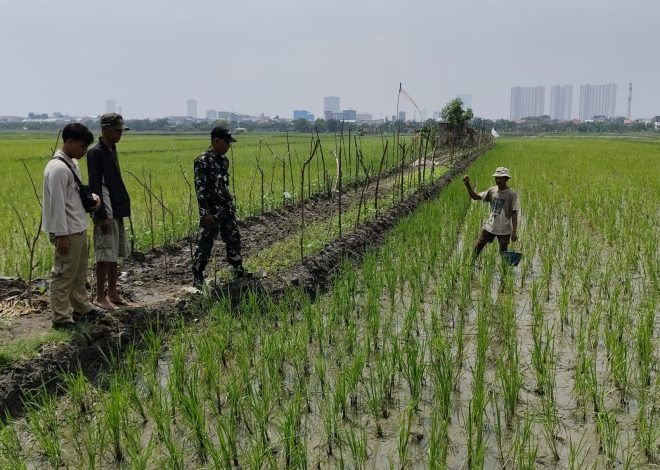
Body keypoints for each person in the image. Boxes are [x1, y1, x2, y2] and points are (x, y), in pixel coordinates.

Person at [42, 123, 102, 329]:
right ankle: (61, 318)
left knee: (78, 273)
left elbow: (71, 196)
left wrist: (91, 199)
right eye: (82, 146)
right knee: (63, 274)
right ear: (69, 142)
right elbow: (57, 205)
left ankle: (82, 307)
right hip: (66, 230)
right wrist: (61, 235)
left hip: (78, 227)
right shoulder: (57, 168)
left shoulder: (71, 164)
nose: (85, 151)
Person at [192, 126, 247, 288]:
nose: (229, 146)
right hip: (212, 212)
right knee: (205, 243)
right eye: (227, 142)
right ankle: (198, 275)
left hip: (226, 209)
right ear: (216, 141)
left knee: (233, 238)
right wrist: (205, 212)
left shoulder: (223, 161)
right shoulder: (202, 161)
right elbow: (200, 188)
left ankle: (238, 269)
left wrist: (230, 206)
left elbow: (223, 186)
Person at [87, 113, 132, 310]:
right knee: (104, 254)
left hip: (117, 208)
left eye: (121, 131)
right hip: (105, 210)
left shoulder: (112, 150)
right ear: (105, 130)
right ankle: (99, 296)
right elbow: (95, 185)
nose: (119, 134)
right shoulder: (95, 152)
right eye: (116, 130)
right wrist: (101, 215)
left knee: (114, 253)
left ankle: (112, 292)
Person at [463, 167, 519, 259]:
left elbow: (514, 213)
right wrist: (467, 185)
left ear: (506, 179)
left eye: (500, 178)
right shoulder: (492, 190)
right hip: (491, 226)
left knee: (503, 253)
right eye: (496, 178)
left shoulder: (511, 194)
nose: (497, 180)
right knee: (479, 245)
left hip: (504, 228)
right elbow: (475, 197)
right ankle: (470, 264)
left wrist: (514, 231)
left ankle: (504, 270)